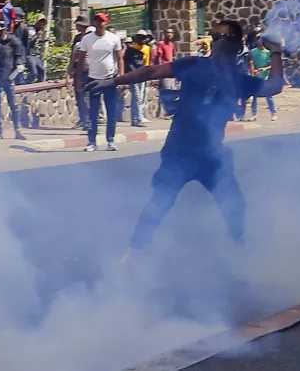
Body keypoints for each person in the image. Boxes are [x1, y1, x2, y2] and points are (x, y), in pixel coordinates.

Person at [94, 21, 285, 263]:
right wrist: (114, 81)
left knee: (234, 203)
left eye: (224, 38)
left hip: (211, 156)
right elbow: (152, 71)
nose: (218, 42)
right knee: (160, 202)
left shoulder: (239, 80)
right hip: (179, 152)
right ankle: (132, 254)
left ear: (237, 45)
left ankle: (238, 250)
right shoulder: (195, 65)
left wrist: (277, 52)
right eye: (215, 36)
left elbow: (274, 86)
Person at [76, 13, 123, 151]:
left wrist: (121, 76)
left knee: (111, 112)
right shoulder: (87, 39)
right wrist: (79, 78)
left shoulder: (113, 38)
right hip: (93, 79)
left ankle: (110, 140)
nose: (99, 23)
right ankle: (92, 141)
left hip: (110, 79)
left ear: (106, 23)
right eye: (96, 21)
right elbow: (81, 59)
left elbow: (119, 58)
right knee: (93, 112)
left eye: (101, 21)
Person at [247, 37, 278, 122]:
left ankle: (273, 113)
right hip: (256, 78)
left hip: (265, 77)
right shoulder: (253, 52)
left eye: (261, 41)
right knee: (254, 96)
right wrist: (253, 71)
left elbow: (272, 65)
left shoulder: (267, 53)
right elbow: (251, 64)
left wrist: (265, 69)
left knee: (268, 96)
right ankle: (254, 114)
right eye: (258, 41)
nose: (260, 43)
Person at [124, 29, 150, 128]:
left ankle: (138, 117)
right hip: (134, 75)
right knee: (137, 97)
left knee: (142, 98)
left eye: (143, 38)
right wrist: (134, 72)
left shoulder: (147, 48)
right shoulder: (131, 49)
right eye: (140, 37)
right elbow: (128, 62)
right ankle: (136, 119)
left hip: (143, 75)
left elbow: (146, 62)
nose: (142, 39)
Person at [154, 28, 177, 119]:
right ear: (164, 34)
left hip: (172, 71)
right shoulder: (161, 44)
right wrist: (160, 70)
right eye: (167, 33)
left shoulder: (172, 44)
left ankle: (170, 112)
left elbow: (173, 56)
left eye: (171, 33)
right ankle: (167, 112)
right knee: (167, 91)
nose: (169, 34)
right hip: (165, 70)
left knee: (172, 90)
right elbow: (159, 57)